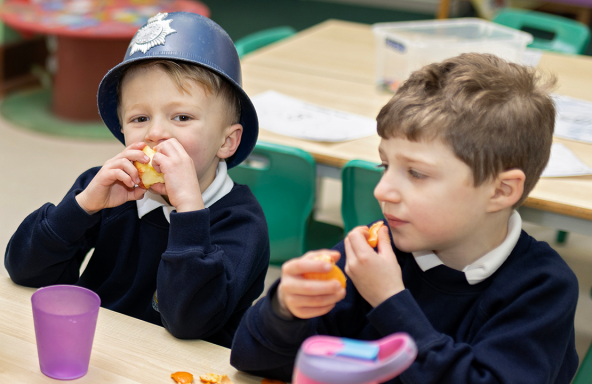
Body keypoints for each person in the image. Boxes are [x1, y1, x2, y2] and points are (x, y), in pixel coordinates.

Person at [230, 53, 579, 383]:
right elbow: (251, 358)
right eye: (386, 165)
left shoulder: (542, 288)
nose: (382, 190)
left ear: (501, 191)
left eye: (416, 173)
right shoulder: (375, 254)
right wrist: (284, 311)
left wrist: (390, 302)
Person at [4, 12, 269, 347]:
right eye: (140, 118)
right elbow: (25, 271)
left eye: (182, 116)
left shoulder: (242, 224)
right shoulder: (106, 187)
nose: (156, 133)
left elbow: (189, 323)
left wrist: (188, 210)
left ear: (226, 142)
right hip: (97, 352)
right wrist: (82, 207)